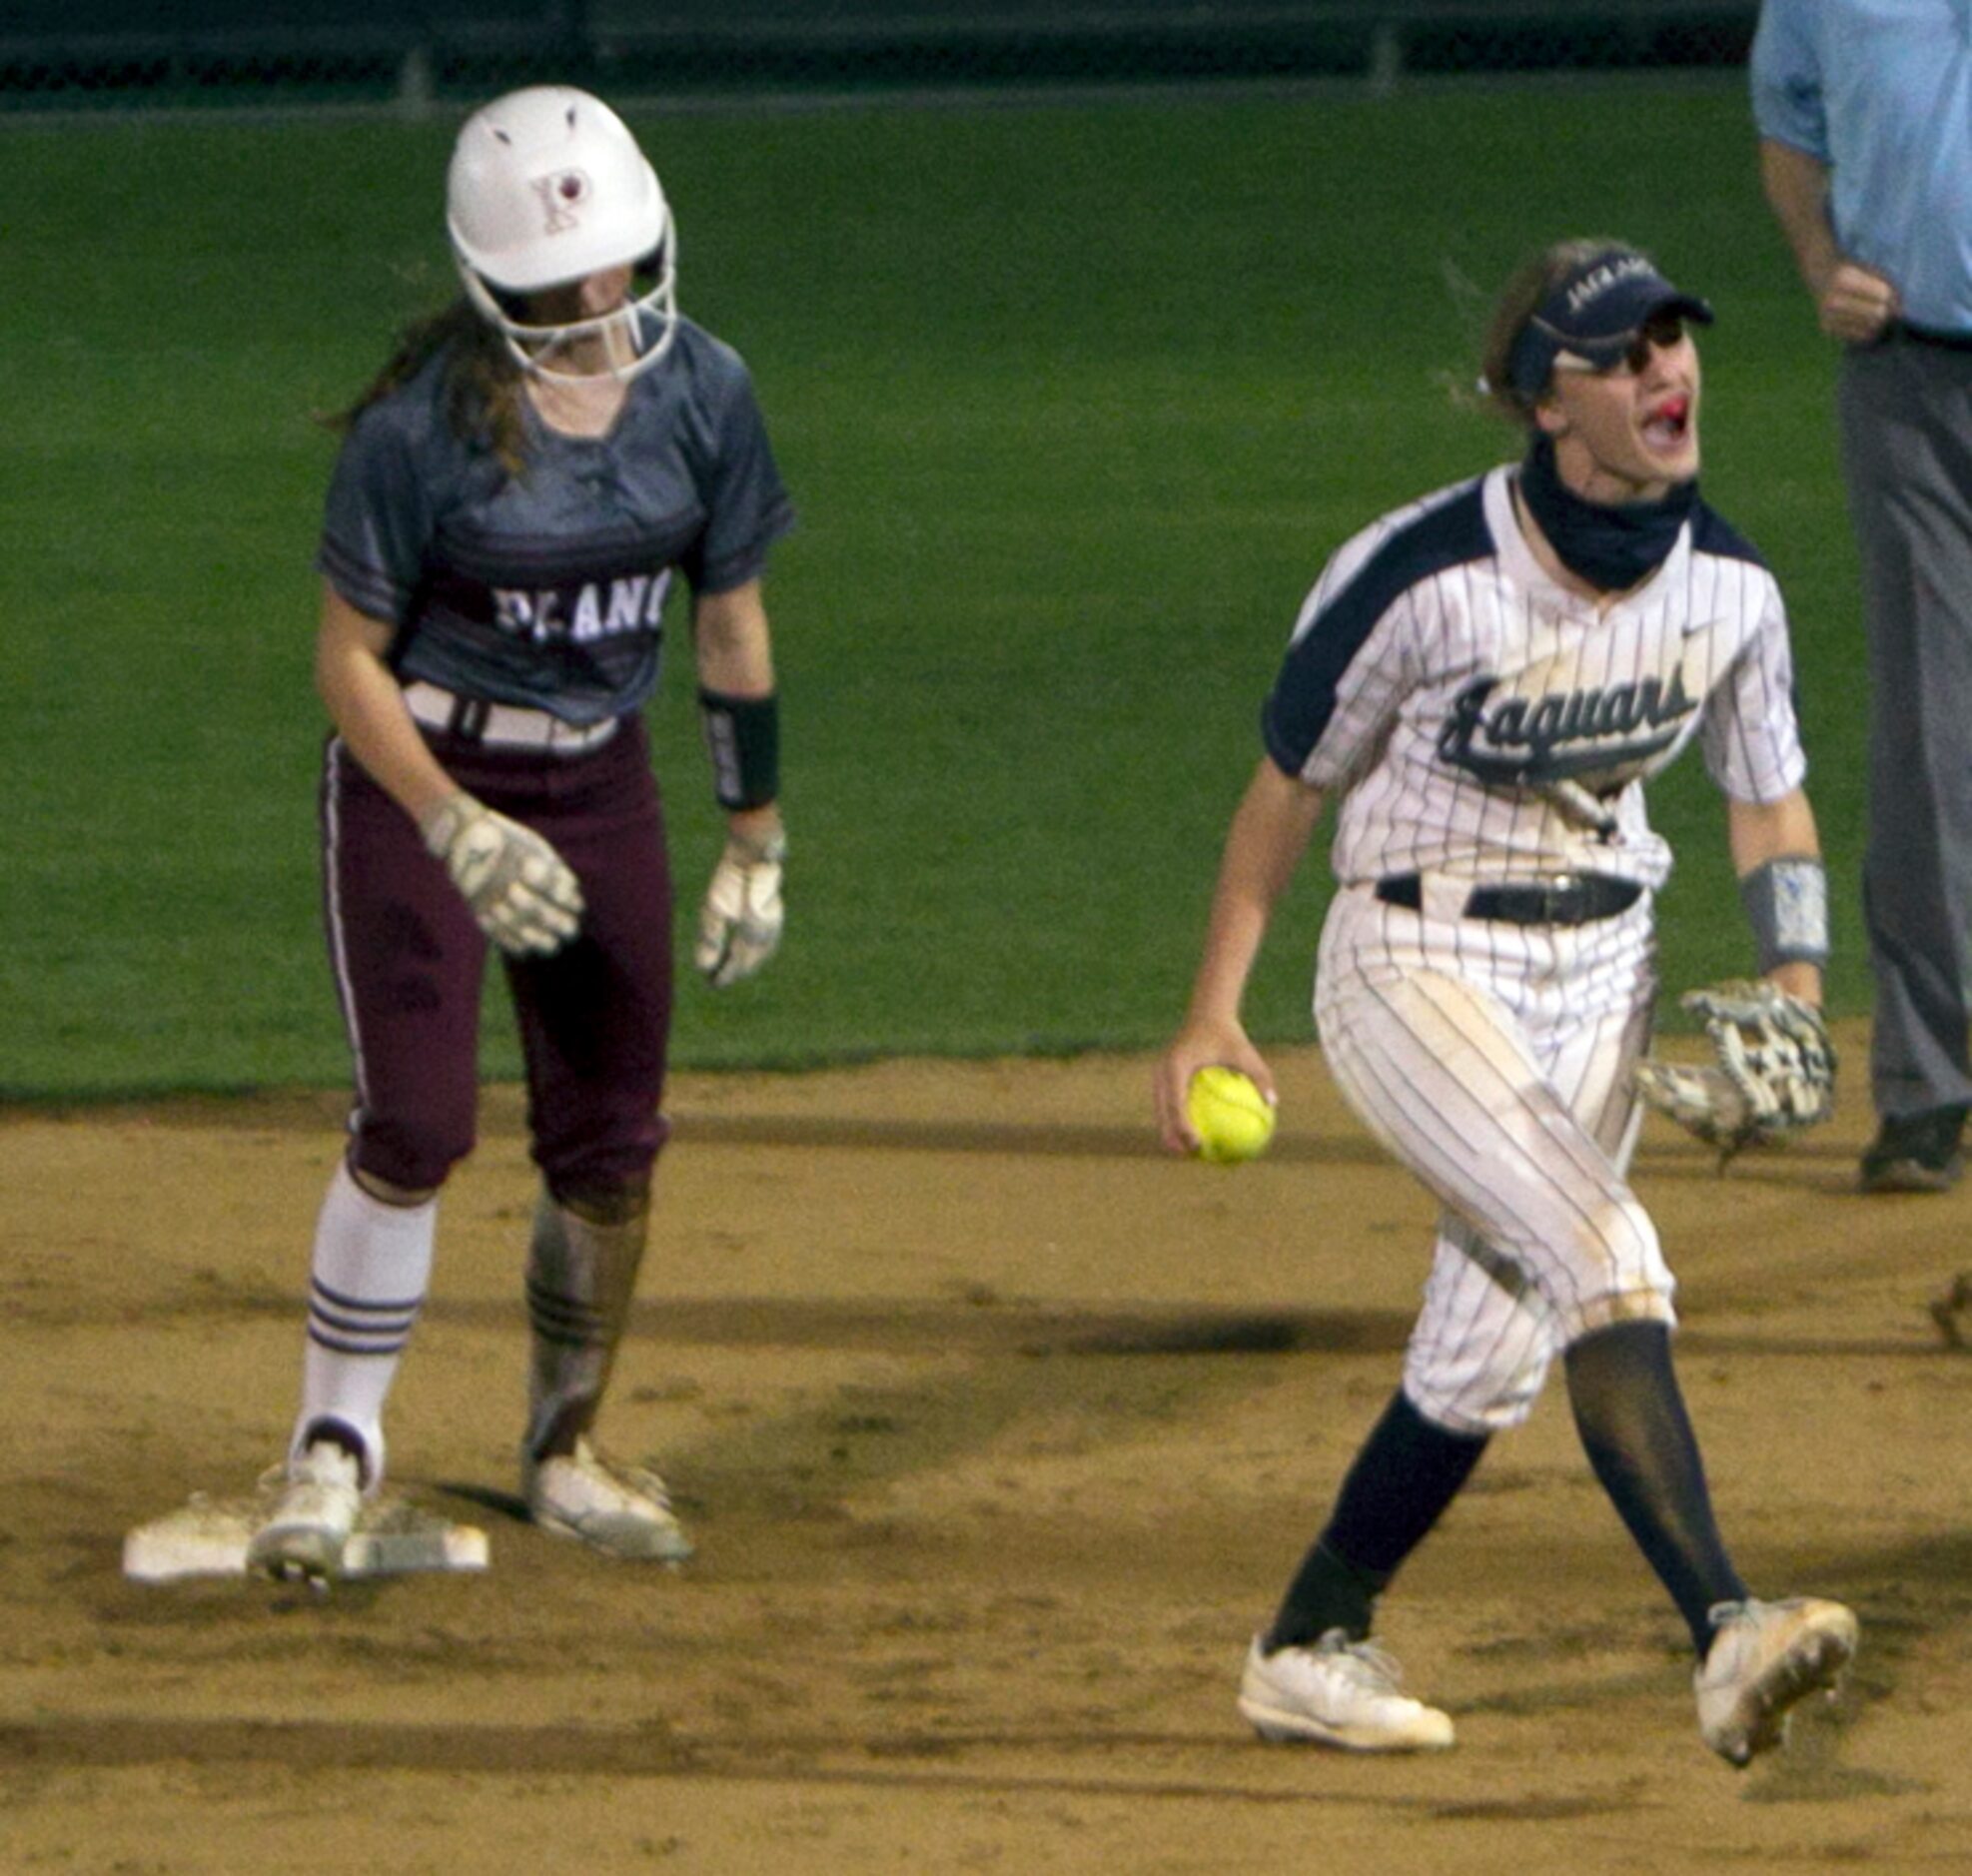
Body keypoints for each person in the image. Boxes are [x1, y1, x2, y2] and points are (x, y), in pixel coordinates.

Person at [1153, 241, 1858, 1765]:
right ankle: (1727, 1632)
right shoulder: (1417, 576)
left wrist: (1796, 983)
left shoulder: (1729, 585)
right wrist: (1215, 1010)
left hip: (1603, 970)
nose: (1667, 371)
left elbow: (1770, 804)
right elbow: (1283, 792)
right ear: (1548, 400)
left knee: (1485, 1354)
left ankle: (1304, 1641)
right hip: (1413, 961)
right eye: (1624, 355)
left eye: (1675, 341)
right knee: (1605, 1252)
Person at [246, 85, 795, 1583]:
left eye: (618, 262)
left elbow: (729, 621)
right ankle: (331, 1447)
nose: (603, 298)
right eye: (564, 284)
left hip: (599, 779)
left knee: (611, 1143)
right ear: (494, 286)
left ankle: (562, 1449)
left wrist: (755, 832)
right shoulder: (419, 427)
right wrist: (451, 823)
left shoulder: (705, 394)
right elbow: (346, 660)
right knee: (417, 1123)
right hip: (423, 775)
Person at [1751, 3, 1972, 1193]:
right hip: (1908, 388)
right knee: (1929, 745)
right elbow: (1785, 121)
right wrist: (1820, 261)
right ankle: (1929, 1093)